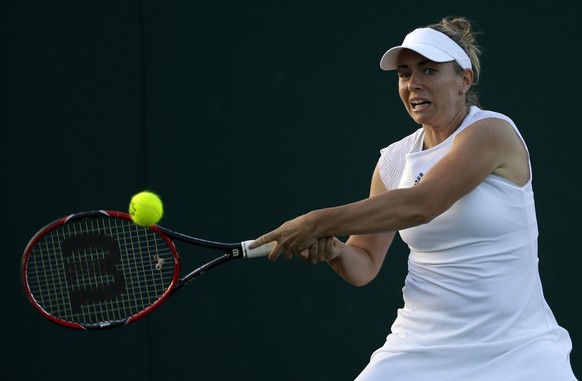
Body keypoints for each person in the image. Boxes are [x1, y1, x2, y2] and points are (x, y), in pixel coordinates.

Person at [250, 16, 578, 381]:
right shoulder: (393, 161)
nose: (414, 84)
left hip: (520, 351)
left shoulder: (491, 132)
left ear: (464, 80)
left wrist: (314, 222)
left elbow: (420, 205)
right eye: (404, 74)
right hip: (419, 348)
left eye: (429, 71)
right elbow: (364, 264)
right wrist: (337, 252)